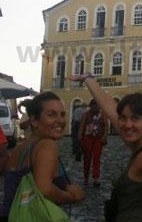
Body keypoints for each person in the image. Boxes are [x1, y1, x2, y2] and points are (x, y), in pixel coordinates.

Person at [70, 73, 142, 222]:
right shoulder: (140, 144)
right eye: (123, 118)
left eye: (135, 118)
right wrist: (88, 79)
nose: (127, 124)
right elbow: (110, 108)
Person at [0, 92, 85, 220]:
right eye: (51, 115)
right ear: (34, 120)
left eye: (62, 114)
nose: (61, 120)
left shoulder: (20, 148)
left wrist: (66, 186)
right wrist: (71, 197)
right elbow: (44, 188)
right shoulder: (47, 145)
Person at [79, 99, 107, 187]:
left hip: (98, 138)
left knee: (96, 158)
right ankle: (86, 178)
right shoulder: (86, 114)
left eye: (98, 106)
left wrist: (104, 136)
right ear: (91, 106)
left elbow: (106, 126)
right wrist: (80, 138)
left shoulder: (102, 115)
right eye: (95, 105)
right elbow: (82, 126)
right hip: (87, 138)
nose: (97, 107)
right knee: (87, 158)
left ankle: (96, 178)